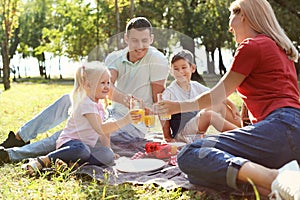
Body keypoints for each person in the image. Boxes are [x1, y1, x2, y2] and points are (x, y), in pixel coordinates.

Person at [157, 0, 300, 199]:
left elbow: (216, 95)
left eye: (231, 17)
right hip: (290, 132)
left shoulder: (252, 45)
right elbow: (270, 94)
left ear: (244, 15)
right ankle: (275, 186)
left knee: (192, 153)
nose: (229, 26)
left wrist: (176, 107)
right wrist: (246, 121)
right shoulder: (279, 49)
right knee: (204, 171)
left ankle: (275, 178)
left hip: (282, 129)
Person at [0, 17, 169, 164]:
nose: (140, 46)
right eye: (135, 40)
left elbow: (158, 99)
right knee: (68, 99)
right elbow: (106, 86)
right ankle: (19, 137)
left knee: (72, 134)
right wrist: (124, 99)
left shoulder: (157, 60)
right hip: (109, 111)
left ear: (151, 39)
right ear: (126, 38)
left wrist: (167, 135)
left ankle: (11, 155)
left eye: (144, 41)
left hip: (131, 124)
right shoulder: (115, 58)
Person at [22, 61, 140, 174]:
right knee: (81, 150)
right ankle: (44, 160)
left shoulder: (99, 104)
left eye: (108, 83)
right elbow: (100, 129)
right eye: (102, 83)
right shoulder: (86, 104)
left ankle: (71, 163)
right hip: (70, 143)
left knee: (107, 155)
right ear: (88, 85)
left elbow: (104, 134)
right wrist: (125, 120)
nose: (107, 87)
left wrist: (108, 149)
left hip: (87, 147)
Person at [161, 50, 241, 142]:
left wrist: (232, 105)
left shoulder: (195, 86)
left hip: (195, 127)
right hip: (182, 134)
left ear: (193, 68)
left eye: (184, 67)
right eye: (176, 69)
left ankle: (245, 129)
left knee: (219, 104)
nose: (180, 72)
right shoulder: (170, 92)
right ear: (171, 71)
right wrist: (167, 137)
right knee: (209, 115)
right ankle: (241, 135)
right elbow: (163, 115)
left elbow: (215, 95)